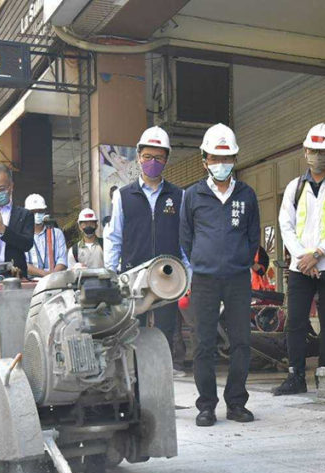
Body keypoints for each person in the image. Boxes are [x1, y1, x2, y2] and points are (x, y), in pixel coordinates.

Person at [179, 123, 260, 427]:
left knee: (241, 341)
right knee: (203, 343)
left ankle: (236, 403)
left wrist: (239, 260)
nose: (220, 164)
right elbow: (186, 238)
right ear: (204, 160)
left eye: (226, 158)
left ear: (235, 160)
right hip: (205, 279)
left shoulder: (247, 195)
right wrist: (203, 260)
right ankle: (206, 406)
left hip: (239, 279)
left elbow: (254, 238)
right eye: (214, 158)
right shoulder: (192, 195)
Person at [273, 123, 325, 395]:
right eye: (313, 150)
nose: (317, 156)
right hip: (301, 266)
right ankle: (295, 377)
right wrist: (303, 258)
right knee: (295, 322)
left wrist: (317, 254)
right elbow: (285, 225)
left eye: (323, 151)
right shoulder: (293, 187)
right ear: (305, 151)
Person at [105, 126, 186, 366]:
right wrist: (112, 275)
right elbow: (114, 238)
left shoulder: (178, 196)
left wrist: (187, 275)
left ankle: (162, 378)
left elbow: (184, 239)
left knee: (165, 332)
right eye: (148, 156)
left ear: (166, 160)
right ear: (138, 157)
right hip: (133, 278)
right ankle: (134, 378)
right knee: (132, 332)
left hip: (167, 276)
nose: (152, 162)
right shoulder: (123, 195)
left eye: (158, 158)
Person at [23, 193, 67, 278]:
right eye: (33, 212)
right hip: (30, 282)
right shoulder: (21, 235)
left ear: (45, 212)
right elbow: (23, 263)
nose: (37, 215)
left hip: (54, 281)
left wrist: (52, 276)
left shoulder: (57, 233)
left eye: (40, 211)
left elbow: (62, 260)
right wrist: (45, 275)